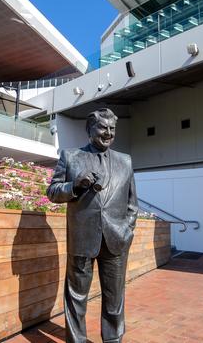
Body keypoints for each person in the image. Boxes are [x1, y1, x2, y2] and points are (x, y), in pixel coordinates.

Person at [47, 108, 138, 343]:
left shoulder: (125, 161)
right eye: (102, 128)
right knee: (76, 296)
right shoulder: (71, 156)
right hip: (82, 239)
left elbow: (132, 204)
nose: (108, 133)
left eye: (112, 129)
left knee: (115, 297)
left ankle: (113, 339)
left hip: (116, 239)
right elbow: (53, 192)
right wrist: (75, 185)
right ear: (89, 129)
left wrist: (127, 231)